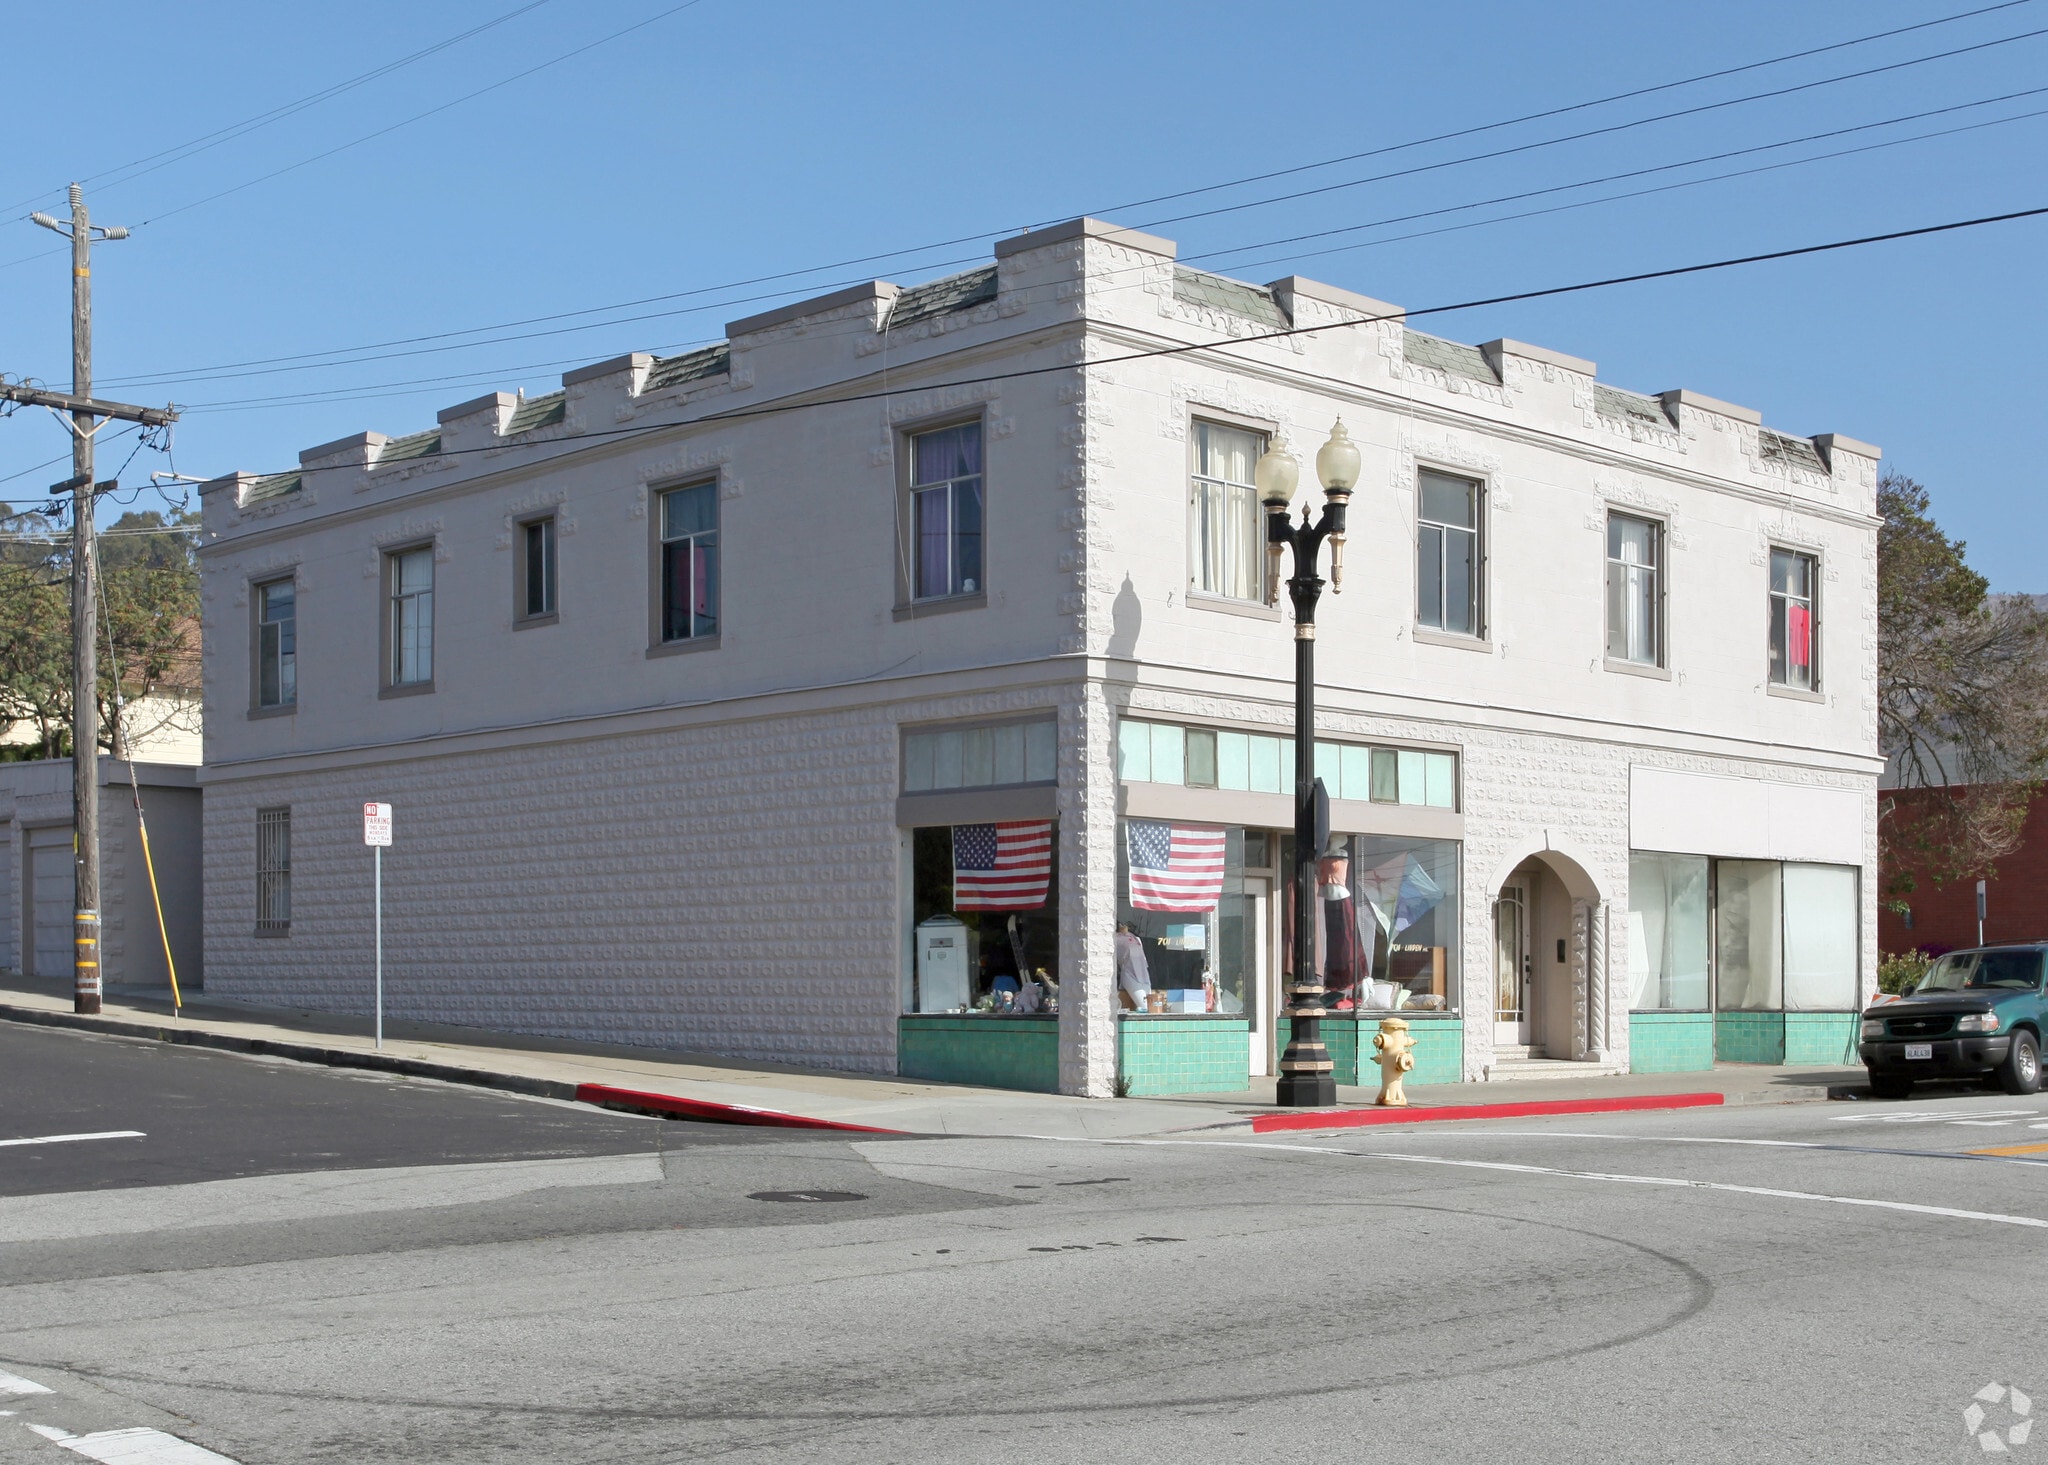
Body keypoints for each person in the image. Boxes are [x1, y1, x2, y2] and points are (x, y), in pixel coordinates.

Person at [1114, 923, 1152, 1010]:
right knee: (1145, 1006)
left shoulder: (1136, 939)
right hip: (1129, 975)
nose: (1123, 925)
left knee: (1150, 1005)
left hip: (1144, 975)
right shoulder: (1115, 939)